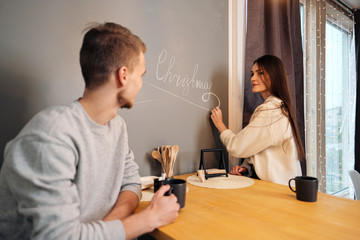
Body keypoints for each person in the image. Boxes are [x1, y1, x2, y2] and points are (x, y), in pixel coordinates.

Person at [0, 22, 179, 239]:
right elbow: (60, 236)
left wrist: (107, 227)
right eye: (141, 75)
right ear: (123, 75)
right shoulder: (50, 136)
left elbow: (131, 182)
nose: (141, 84)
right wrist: (151, 218)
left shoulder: (117, 127)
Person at [210, 55, 304, 185]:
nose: (253, 78)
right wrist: (246, 168)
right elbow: (264, 147)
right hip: (284, 188)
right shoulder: (280, 107)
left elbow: (237, 146)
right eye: (252, 74)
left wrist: (221, 126)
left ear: (274, 76)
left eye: (260, 73)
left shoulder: (271, 111)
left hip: (278, 193)